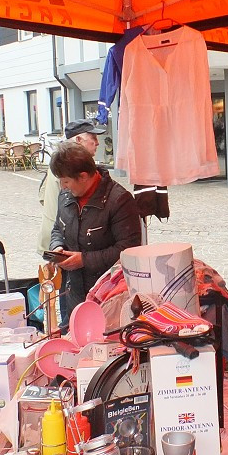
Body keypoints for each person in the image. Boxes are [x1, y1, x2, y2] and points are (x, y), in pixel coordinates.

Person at [49, 142, 141, 322]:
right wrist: (57, 247)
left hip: (108, 295)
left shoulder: (119, 200)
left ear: (83, 176)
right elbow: (57, 228)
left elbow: (129, 250)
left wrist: (84, 260)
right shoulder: (66, 196)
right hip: (72, 292)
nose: (63, 187)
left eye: (66, 181)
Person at [38, 119, 105, 255]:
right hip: (61, 241)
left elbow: (41, 196)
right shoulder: (66, 165)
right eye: (93, 137)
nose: (97, 142)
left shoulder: (58, 160)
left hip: (55, 239)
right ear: (79, 139)